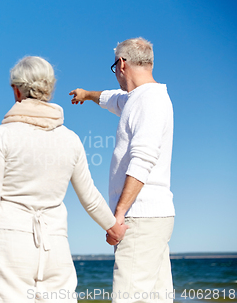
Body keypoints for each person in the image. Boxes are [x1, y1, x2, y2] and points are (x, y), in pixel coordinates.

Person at [0, 56, 128, 302]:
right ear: (49, 89)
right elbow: (90, 197)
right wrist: (114, 228)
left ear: (16, 90)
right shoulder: (70, 139)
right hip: (55, 246)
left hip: (9, 244)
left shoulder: (2, 135)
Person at [69, 37, 175, 303]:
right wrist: (87, 95)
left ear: (122, 64)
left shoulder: (147, 102)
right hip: (154, 217)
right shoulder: (138, 99)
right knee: (155, 298)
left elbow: (143, 159)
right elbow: (111, 98)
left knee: (129, 297)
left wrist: (119, 214)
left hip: (139, 217)